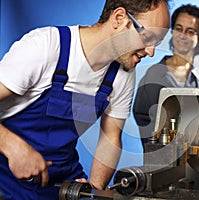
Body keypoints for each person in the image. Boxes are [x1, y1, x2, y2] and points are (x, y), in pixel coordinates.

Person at [0, 0, 170, 199]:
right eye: (147, 37)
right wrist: (13, 147)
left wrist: (93, 188)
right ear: (119, 18)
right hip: (5, 181)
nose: (150, 52)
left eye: (156, 43)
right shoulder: (46, 47)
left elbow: (110, 138)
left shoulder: (122, 73)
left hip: (62, 182)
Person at [133, 4, 199, 147]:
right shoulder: (154, 75)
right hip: (164, 158)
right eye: (178, 28)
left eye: (190, 31)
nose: (182, 35)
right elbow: (147, 122)